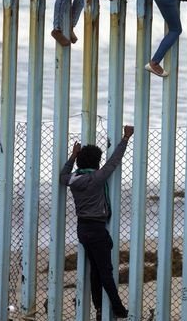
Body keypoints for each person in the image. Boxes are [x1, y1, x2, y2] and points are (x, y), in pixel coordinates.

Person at [60, 125, 134, 320]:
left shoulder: (73, 179)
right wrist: (125, 138)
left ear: (80, 161)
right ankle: (118, 309)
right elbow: (114, 161)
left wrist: (72, 157)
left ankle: (99, 308)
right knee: (105, 271)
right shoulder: (97, 178)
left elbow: (62, 177)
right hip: (96, 228)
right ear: (96, 163)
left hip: (82, 228)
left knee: (95, 270)